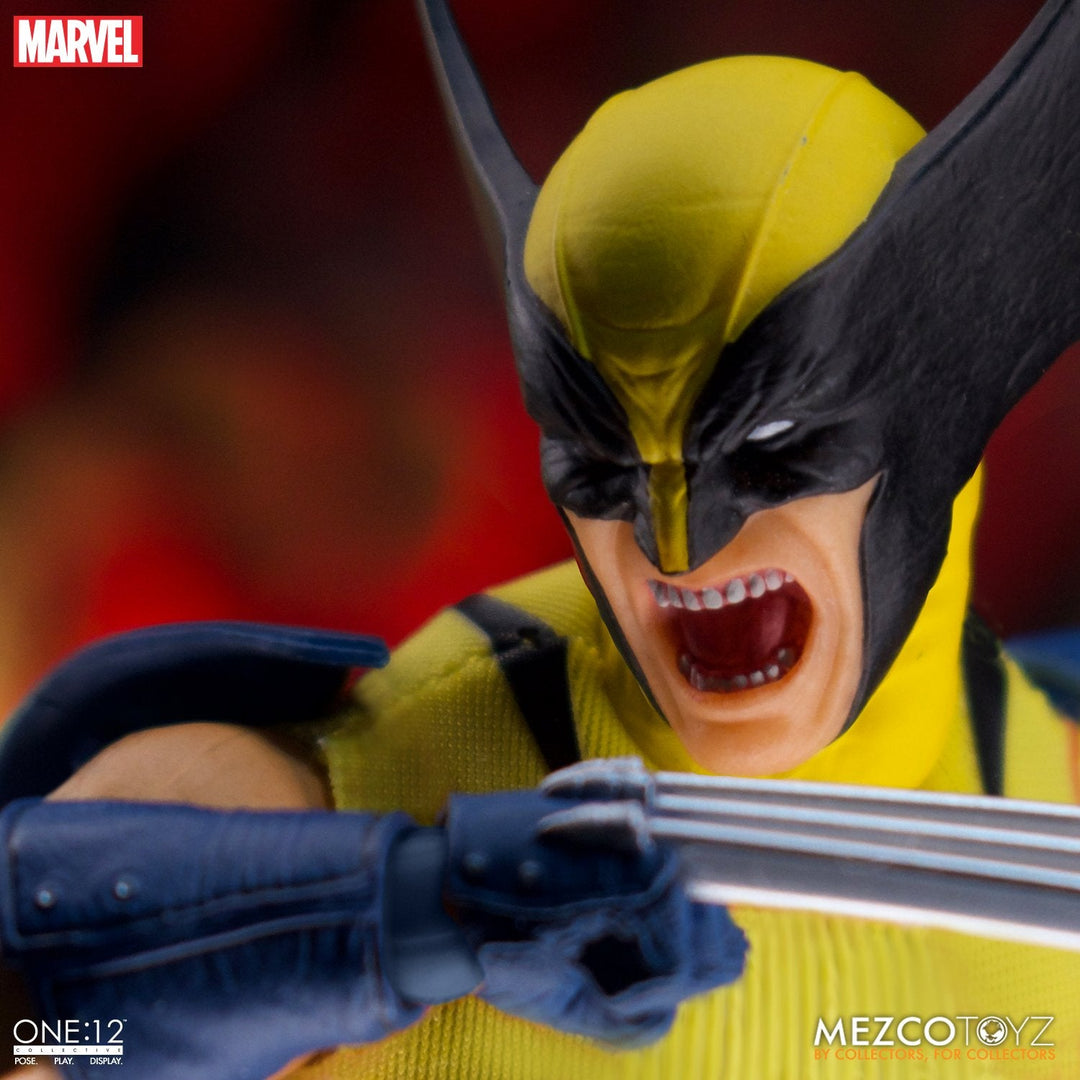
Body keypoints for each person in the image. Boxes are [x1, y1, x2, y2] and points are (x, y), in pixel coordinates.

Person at [3, 0, 1080, 1077]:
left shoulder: (1040, 765)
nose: (675, 540)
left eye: (773, 439)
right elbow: (36, 1007)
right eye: (601, 450)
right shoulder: (433, 757)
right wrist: (414, 911)